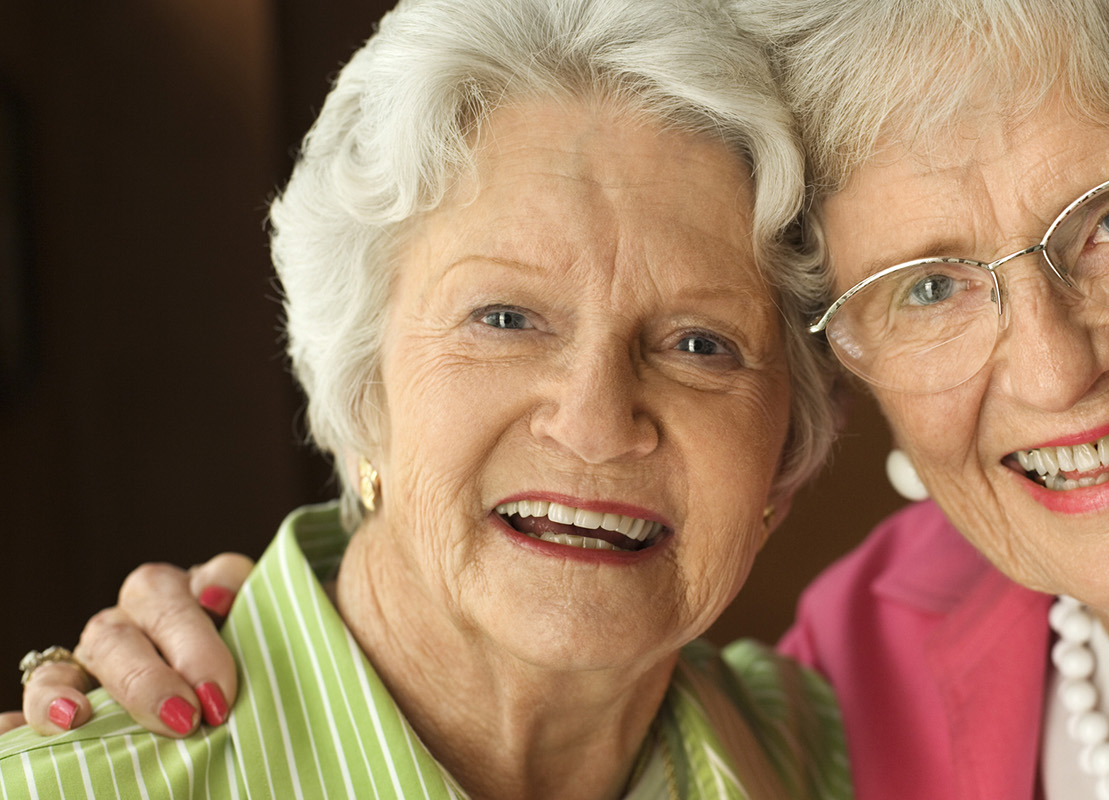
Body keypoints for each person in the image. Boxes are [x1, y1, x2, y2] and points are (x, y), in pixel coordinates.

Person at [16, 0, 1109, 797]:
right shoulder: (872, 673)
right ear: (359, 390)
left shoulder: (804, 739)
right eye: (931, 281)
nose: (1051, 367)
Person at [0, 0, 852, 797]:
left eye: (701, 345)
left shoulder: (857, 751)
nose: (594, 423)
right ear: (361, 380)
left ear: (786, 445)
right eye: (506, 318)